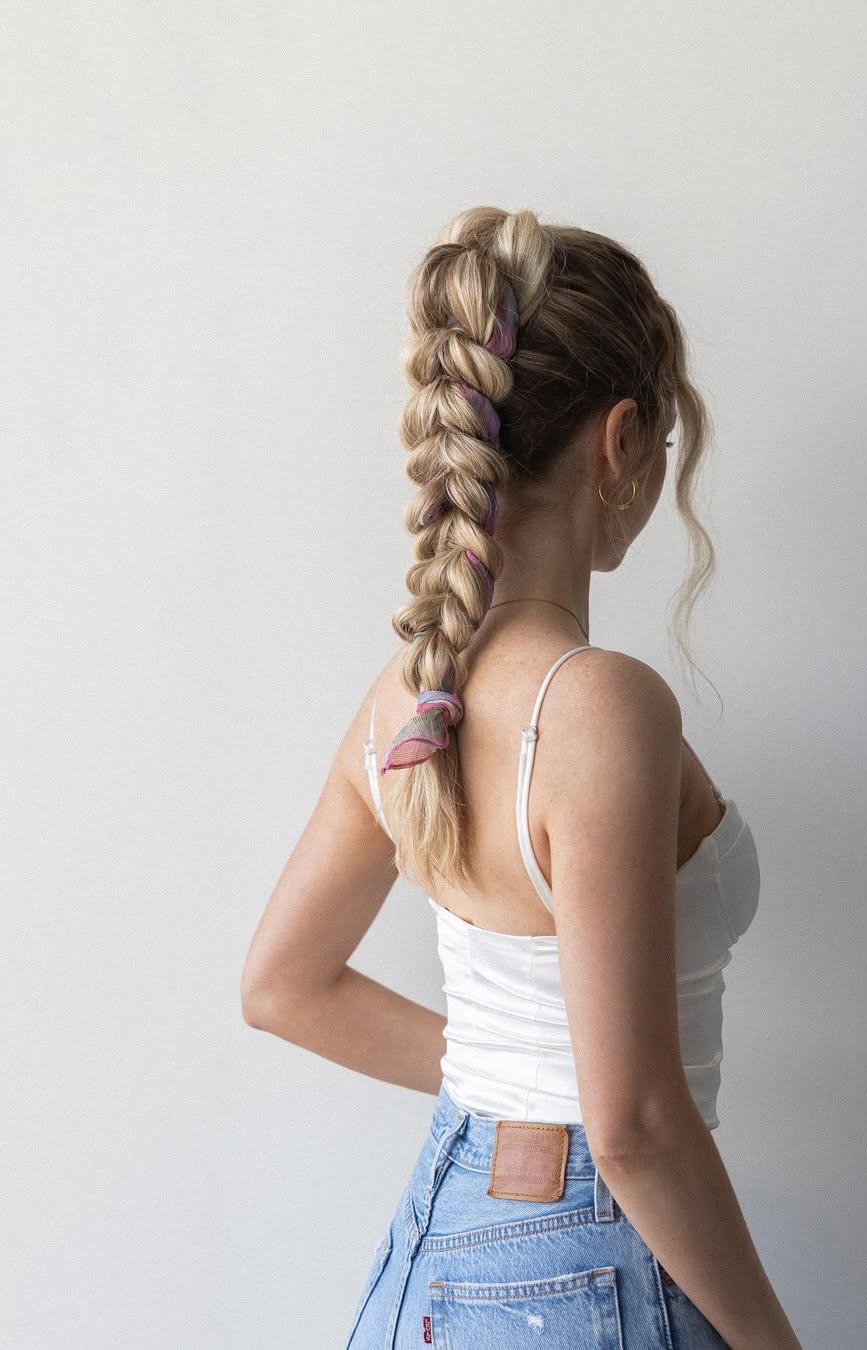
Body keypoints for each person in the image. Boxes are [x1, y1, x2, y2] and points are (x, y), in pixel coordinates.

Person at [241, 206, 802, 1350]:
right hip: (586, 1257)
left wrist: (507, 1069)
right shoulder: (596, 706)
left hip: (439, 1248)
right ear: (621, 442)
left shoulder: (406, 698)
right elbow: (635, 1123)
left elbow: (281, 986)